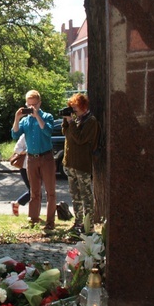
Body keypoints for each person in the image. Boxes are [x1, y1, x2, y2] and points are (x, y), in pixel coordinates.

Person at [11, 90, 56, 232]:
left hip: (46, 157)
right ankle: (34, 219)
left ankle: (50, 221)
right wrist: (17, 118)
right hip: (31, 159)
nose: (31, 108)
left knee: (50, 192)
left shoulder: (47, 116)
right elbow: (15, 134)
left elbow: (48, 131)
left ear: (39, 103)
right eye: (28, 105)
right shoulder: (25, 120)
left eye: (34, 105)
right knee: (34, 192)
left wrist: (37, 116)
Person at [62, 93, 100, 233]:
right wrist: (66, 121)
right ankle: (77, 223)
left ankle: (88, 225)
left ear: (84, 107)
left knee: (86, 196)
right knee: (75, 195)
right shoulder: (76, 120)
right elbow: (66, 133)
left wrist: (71, 122)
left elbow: (80, 139)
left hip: (82, 164)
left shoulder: (91, 121)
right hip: (70, 163)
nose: (73, 111)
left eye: (75, 108)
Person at [11, 134, 30, 217]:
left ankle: (34, 215)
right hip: (25, 167)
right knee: (34, 191)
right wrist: (27, 151)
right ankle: (16, 204)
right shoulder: (24, 136)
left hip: (36, 166)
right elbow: (17, 149)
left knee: (36, 191)